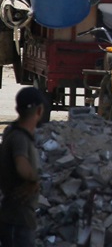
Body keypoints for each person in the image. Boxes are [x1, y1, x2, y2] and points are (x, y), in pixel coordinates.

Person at [0, 87, 45, 247]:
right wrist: (34, 180)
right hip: (17, 220)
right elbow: (21, 166)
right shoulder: (20, 138)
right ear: (39, 110)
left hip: (16, 218)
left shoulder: (12, 132)